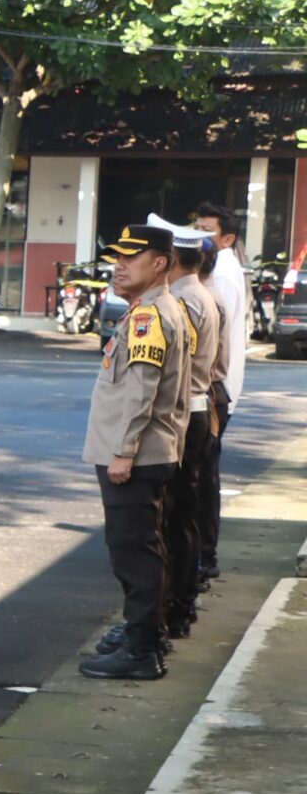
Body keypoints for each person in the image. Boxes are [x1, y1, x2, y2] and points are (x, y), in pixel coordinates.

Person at [79, 226, 189, 682]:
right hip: (143, 452)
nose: (118, 266)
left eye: (131, 258)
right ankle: (144, 634)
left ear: (159, 263)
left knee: (134, 553)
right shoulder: (149, 310)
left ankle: (142, 649)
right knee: (144, 547)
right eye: (116, 258)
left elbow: (142, 389)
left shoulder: (149, 316)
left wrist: (123, 451)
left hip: (136, 455)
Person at [157, 230, 223, 640]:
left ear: (170, 260)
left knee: (174, 519)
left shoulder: (184, 301)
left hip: (188, 412)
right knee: (184, 515)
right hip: (200, 409)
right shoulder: (202, 295)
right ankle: (180, 604)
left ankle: (174, 609)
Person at [191, 203, 247, 580]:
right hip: (218, 387)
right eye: (195, 225)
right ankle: (199, 555)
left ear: (227, 239)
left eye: (205, 229)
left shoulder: (222, 270)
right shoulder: (220, 266)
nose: (197, 233)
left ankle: (202, 557)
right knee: (201, 474)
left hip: (214, 389)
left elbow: (214, 338)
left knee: (201, 476)